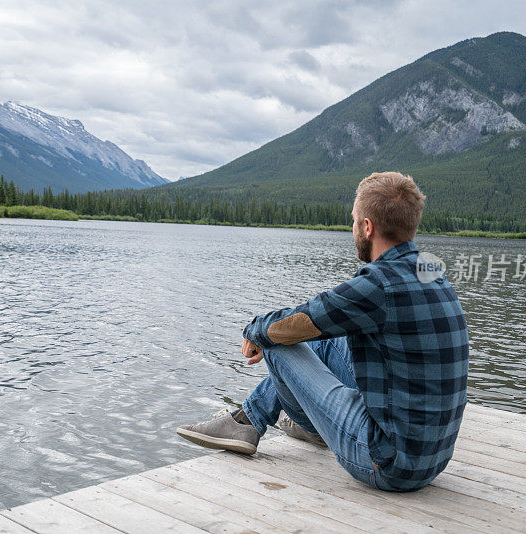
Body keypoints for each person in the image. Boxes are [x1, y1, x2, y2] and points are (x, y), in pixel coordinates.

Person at [176, 172, 469, 492]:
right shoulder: (431, 272)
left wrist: (254, 331)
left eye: (355, 221)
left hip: (387, 462)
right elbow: (326, 319)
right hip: (433, 458)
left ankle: (254, 422)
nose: (353, 228)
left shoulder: (380, 283)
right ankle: (258, 420)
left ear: (368, 227)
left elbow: (305, 318)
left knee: (278, 339)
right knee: (333, 336)